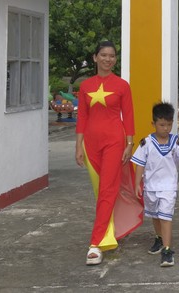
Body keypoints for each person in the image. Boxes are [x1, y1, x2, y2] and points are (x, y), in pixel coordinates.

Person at [76, 40, 143, 265]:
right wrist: (78, 145)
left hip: (115, 142)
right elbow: (82, 118)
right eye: (103, 55)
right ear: (95, 58)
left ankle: (95, 244)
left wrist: (129, 143)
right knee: (101, 191)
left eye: (112, 56)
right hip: (91, 145)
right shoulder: (85, 86)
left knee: (107, 190)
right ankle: (110, 231)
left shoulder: (122, 85)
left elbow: (129, 116)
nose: (108, 59)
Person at [132, 102, 179, 267]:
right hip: (150, 187)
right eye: (162, 124)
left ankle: (167, 250)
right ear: (153, 124)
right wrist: (138, 183)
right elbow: (140, 164)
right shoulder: (146, 143)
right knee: (155, 215)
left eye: (169, 124)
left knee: (166, 217)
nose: (166, 128)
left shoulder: (176, 142)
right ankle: (159, 238)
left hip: (168, 187)